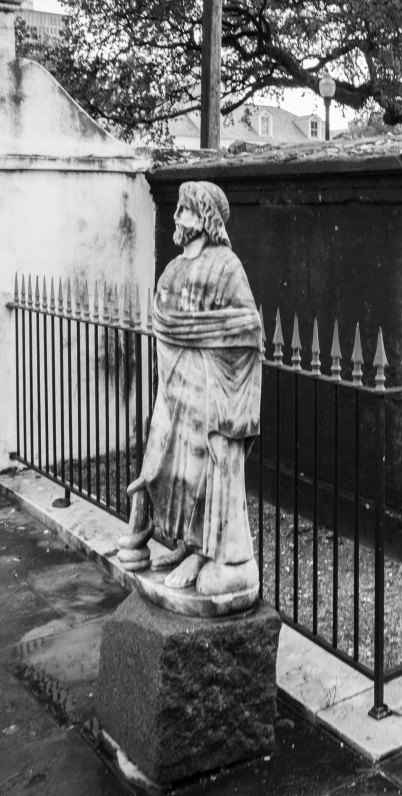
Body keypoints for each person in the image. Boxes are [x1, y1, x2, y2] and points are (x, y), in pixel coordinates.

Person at [122, 181, 261, 599]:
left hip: (210, 390)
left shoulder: (226, 266)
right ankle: (189, 546)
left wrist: (195, 335)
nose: (179, 216)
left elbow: (247, 327)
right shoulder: (174, 268)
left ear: (207, 219)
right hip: (176, 390)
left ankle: (216, 555)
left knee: (205, 469)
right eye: (178, 208)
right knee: (168, 466)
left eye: (187, 210)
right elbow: (164, 322)